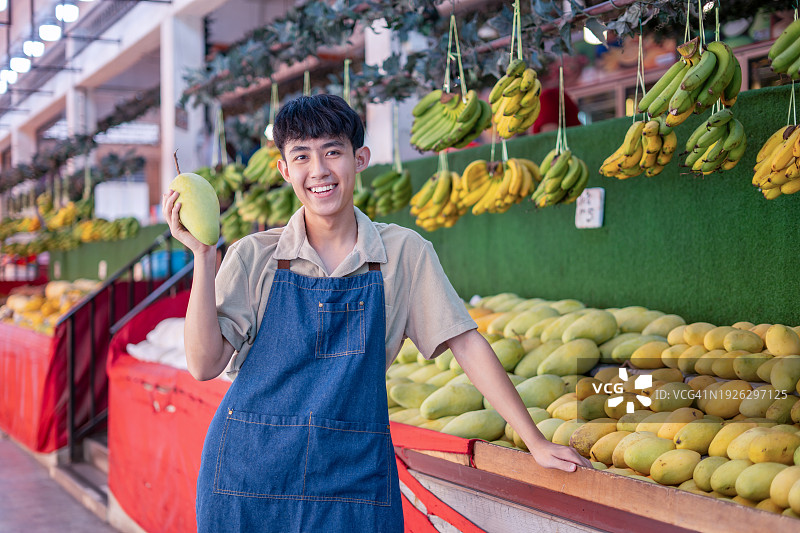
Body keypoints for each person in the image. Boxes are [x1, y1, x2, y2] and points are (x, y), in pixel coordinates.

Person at [162, 94, 590, 532]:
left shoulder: (403, 254)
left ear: (360, 158)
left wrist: (535, 440)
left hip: (352, 477)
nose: (320, 171)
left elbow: (464, 341)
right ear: (284, 169)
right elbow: (203, 364)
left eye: (333, 151)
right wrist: (201, 255)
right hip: (250, 475)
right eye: (302, 156)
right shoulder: (255, 256)